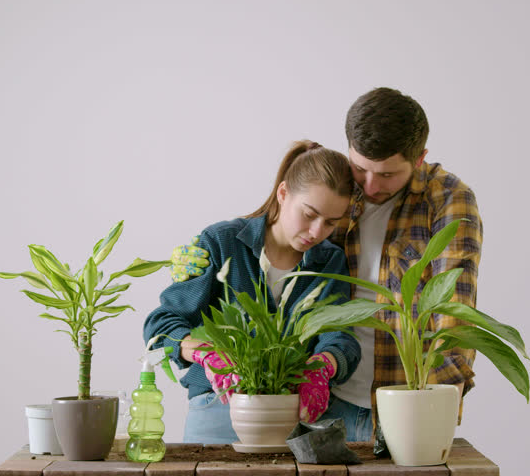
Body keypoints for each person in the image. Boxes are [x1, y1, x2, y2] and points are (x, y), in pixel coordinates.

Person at [171, 88, 484, 445]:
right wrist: (197, 258)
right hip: (319, 404)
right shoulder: (338, 188)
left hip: (400, 403)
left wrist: (433, 408)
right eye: (361, 168)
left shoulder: (447, 200)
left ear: (419, 159)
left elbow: (454, 315)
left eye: (386, 175)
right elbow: (283, 231)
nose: (368, 185)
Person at [144, 140, 362, 444]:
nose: (317, 232)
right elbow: (161, 325)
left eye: (330, 222)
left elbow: (339, 334)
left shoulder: (330, 260)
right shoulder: (222, 242)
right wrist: (205, 353)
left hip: (294, 414)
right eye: (309, 214)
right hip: (218, 406)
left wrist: (324, 366)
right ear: (283, 193)